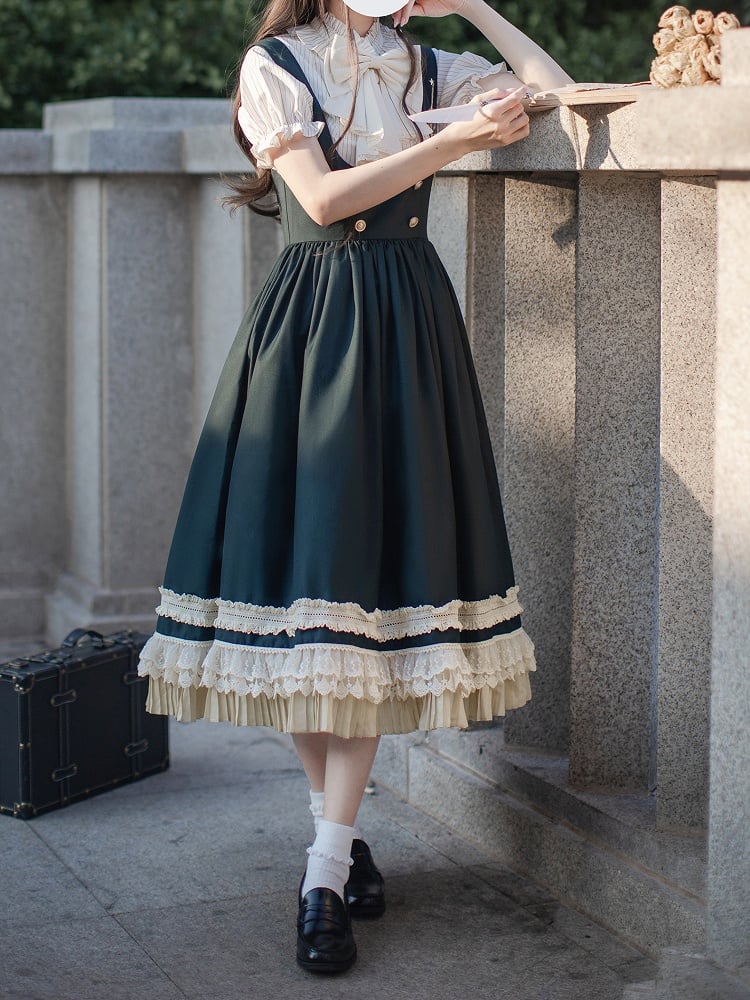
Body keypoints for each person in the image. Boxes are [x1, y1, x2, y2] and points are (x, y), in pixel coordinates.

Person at [136, 0, 574, 975]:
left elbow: (555, 89)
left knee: (368, 593)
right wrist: (453, 142)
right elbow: (324, 201)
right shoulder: (273, 67)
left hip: (409, 329)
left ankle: (326, 869)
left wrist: (475, 9)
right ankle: (334, 848)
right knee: (307, 600)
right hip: (311, 334)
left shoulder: (421, 62)